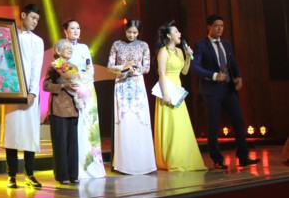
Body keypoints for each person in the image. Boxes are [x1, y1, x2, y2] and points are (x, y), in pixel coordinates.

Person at [190, 14, 260, 169]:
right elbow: (195, 67)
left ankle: (243, 157)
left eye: (222, 26)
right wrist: (214, 75)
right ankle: (217, 159)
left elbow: (232, 63)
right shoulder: (201, 45)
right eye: (216, 25)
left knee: (238, 120)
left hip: (228, 89)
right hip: (211, 90)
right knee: (214, 125)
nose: (219, 28)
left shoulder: (226, 44)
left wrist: (238, 76)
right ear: (209, 27)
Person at [0, 4, 44, 189]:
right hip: (11, 91)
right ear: (23, 15)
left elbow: (36, 67)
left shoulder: (38, 41)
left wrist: (32, 92)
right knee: (12, 134)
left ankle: (30, 175)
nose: (35, 22)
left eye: (37, 20)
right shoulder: (8, 36)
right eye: (33, 17)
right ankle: (11, 176)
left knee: (29, 133)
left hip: (28, 93)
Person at [153, 21, 206, 171]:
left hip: (177, 89)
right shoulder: (164, 51)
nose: (179, 34)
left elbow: (184, 71)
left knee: (180, 125)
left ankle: (183, 157)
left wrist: (188, 57)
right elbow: (161, 73)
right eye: (176, 32)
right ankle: (171, 158)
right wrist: (165, 94)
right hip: (167, 89)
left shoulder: (179, 51)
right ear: (169, 35)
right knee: (171, 124)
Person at [107, 19, 156, 175]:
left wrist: (135, 68)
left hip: (137, 85)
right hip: (121, 85)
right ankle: (123, 163)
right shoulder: (117, 44)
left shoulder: (143, 45)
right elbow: (109, 66)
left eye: (135, 32)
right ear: (125, 30)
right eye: (129, 32)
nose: (132, 35)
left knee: (139, 120)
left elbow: (147, 68)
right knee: (123, 121)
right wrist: (124, 67)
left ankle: (143, 162)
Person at [62, 19, 106, 179]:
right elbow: (63, 70)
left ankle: (92, 164)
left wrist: (86, 73)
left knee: (90, 125)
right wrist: (77, 80)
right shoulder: (62, 47)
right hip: (73, 90)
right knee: (77, 127)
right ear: (65, 31)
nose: (76, 30)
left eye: (78, 28)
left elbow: (91, 70)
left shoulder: (84, 47)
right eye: (72, 28)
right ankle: (76, 167)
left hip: (88, 89)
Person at [43, 39, 79, 187]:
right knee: (60, 143)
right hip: (58, 108)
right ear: (58, 51)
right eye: (66, 48)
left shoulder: (73, 67)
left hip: (73, 108)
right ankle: (62, 175)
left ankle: (73, 174)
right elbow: (46, 85)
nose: (70, 50)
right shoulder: (53, 66)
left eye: (71, 48)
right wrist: (63, 86)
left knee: (72, 143)